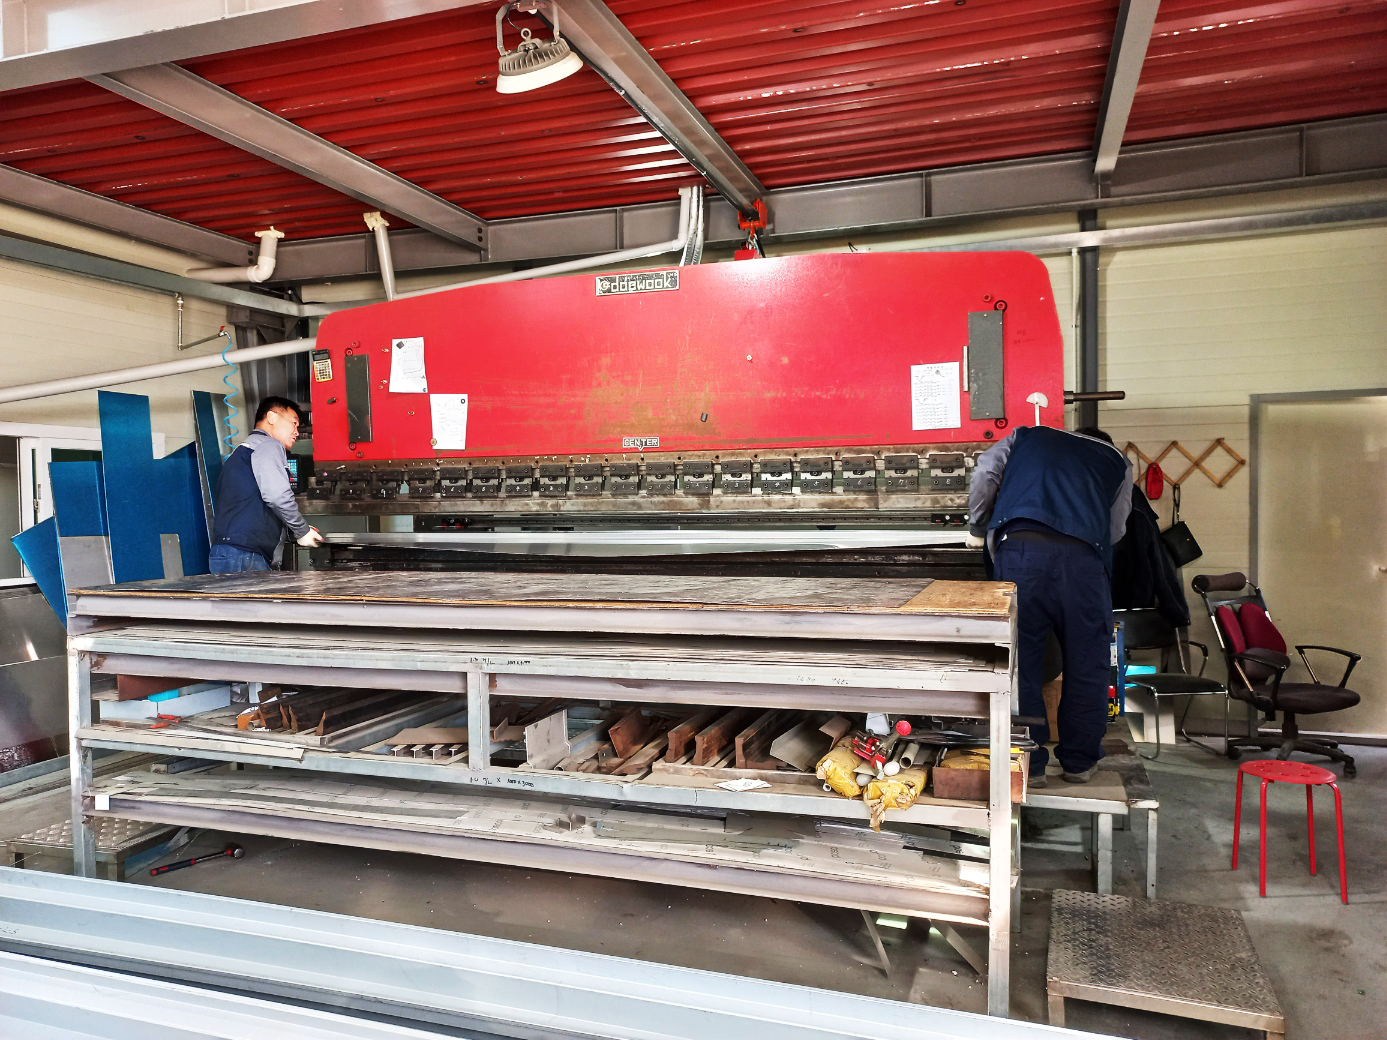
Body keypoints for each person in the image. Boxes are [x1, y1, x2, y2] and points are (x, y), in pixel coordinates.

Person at [967, 425, 1133, 786]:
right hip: (1084, 563)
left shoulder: (1026, 437)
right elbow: (1117, 528)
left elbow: (985, 472)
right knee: (1087, 662)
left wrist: (978, 527)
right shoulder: (1118, 460)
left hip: (1021, 552)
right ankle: (1079, 763)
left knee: (1019, 663)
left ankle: (1031, 763)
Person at [208, 397, 323, 573]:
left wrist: (296, 531)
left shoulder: (245, 450)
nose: (297, 432)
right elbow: (277, 497)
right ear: (271, 417)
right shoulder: (268, 445)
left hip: (230, 553)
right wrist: (302, 530)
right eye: (293, 423)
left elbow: (254, 505)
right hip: (245, 556)